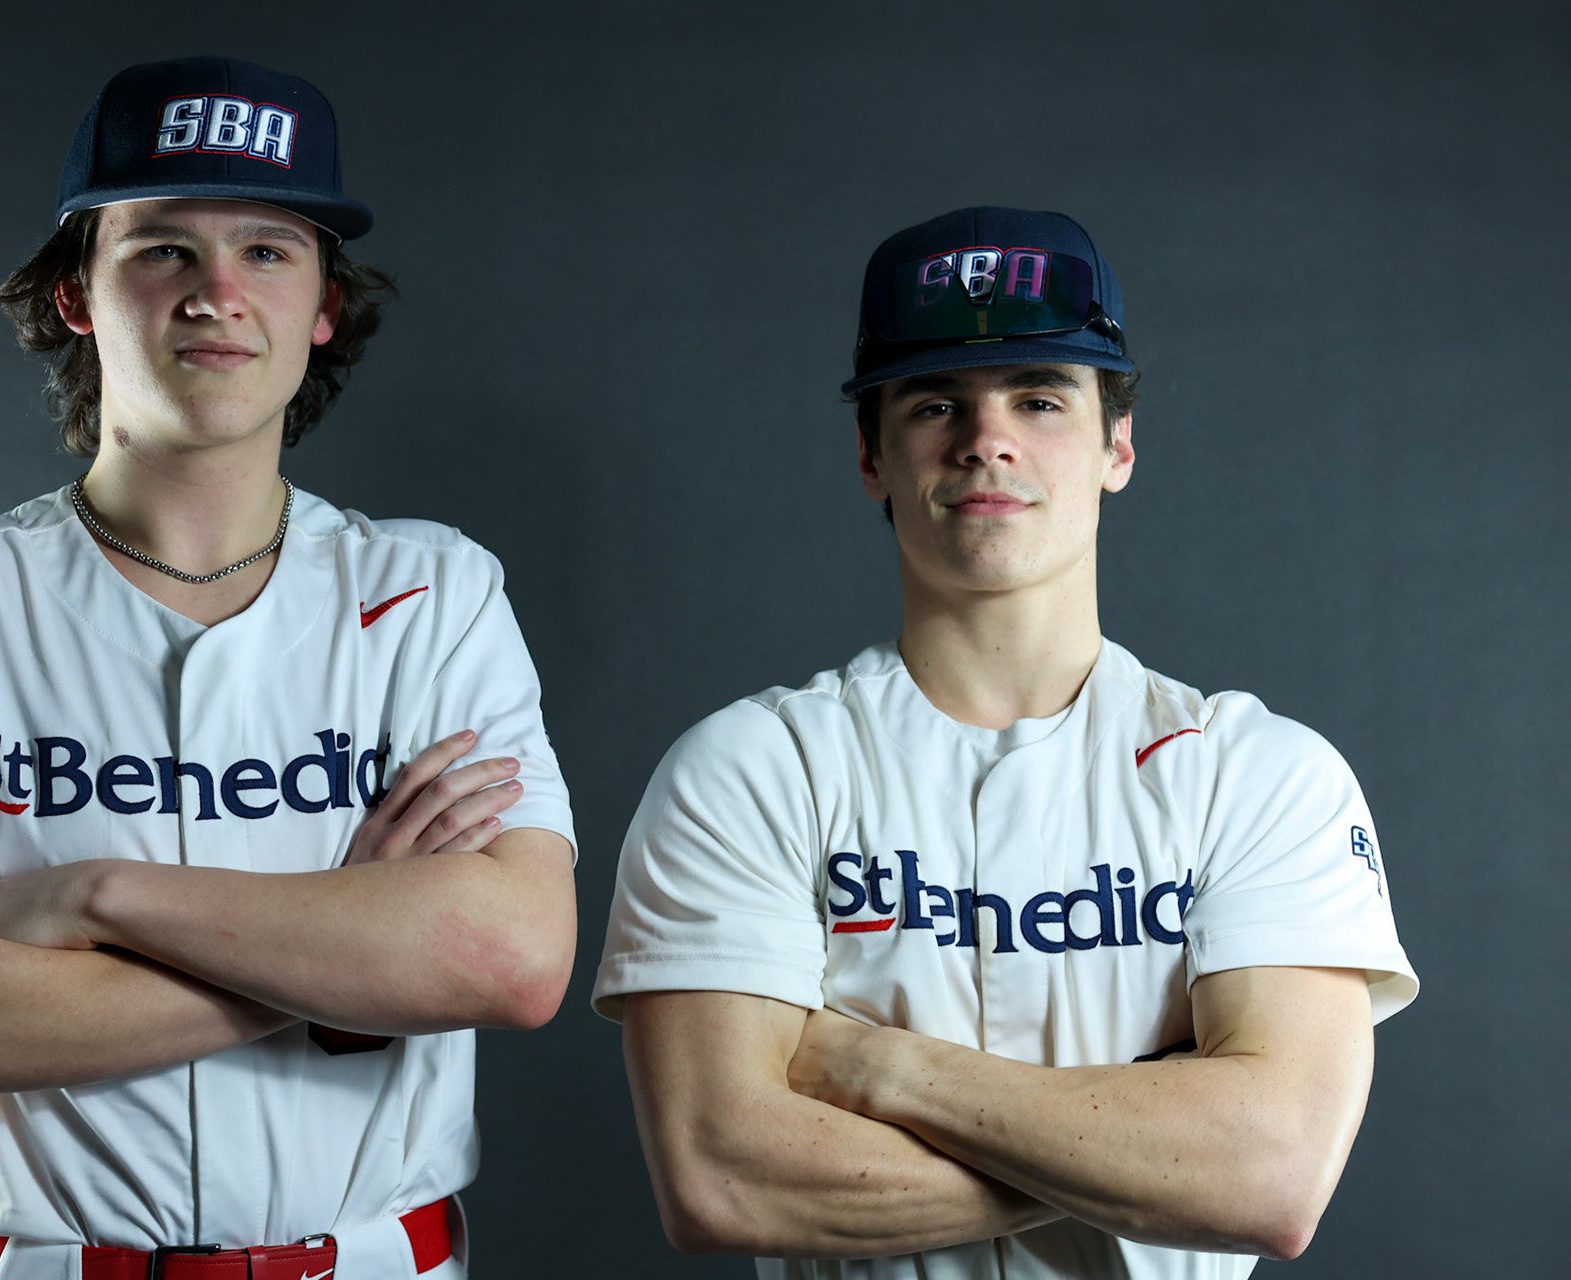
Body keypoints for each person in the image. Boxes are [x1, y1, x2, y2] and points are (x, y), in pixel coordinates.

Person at [0, 56, 576, 1280]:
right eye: (161, 248)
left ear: (323, 306)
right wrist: (349, 959)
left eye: (267, 249)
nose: (217, 291)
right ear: (77, 293)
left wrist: (97, 896)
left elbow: (511, 958)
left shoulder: (435, 592)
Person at [593, 206, 1415, 1279]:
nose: (988, 438)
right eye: (936, 401)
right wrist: (1151, 1131)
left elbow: (1269, 1172)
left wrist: (884, 1072)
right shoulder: (748, 770)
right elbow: (722, 1174)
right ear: (869, 454)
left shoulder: (1260, 775)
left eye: (1040, 396)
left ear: (1118, 444)